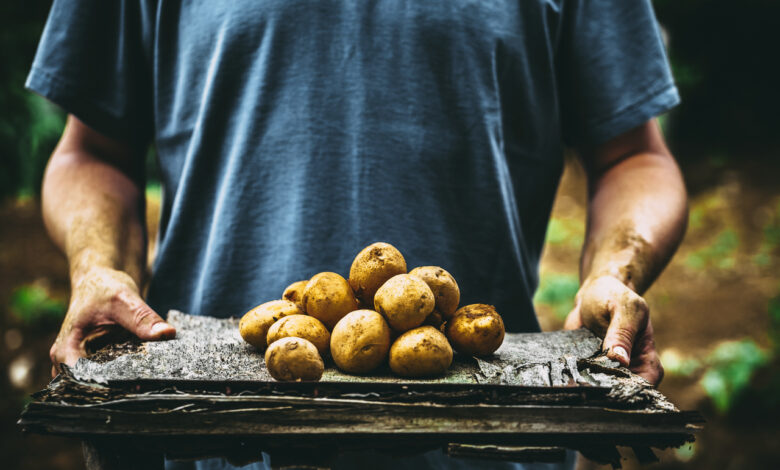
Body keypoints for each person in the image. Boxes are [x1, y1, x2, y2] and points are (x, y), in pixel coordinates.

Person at [28, 0, 687, 468]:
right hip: (198, 431)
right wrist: (98, 268)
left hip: (489, 433)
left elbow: (635, 157)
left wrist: (615, 271)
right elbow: (91, 152)